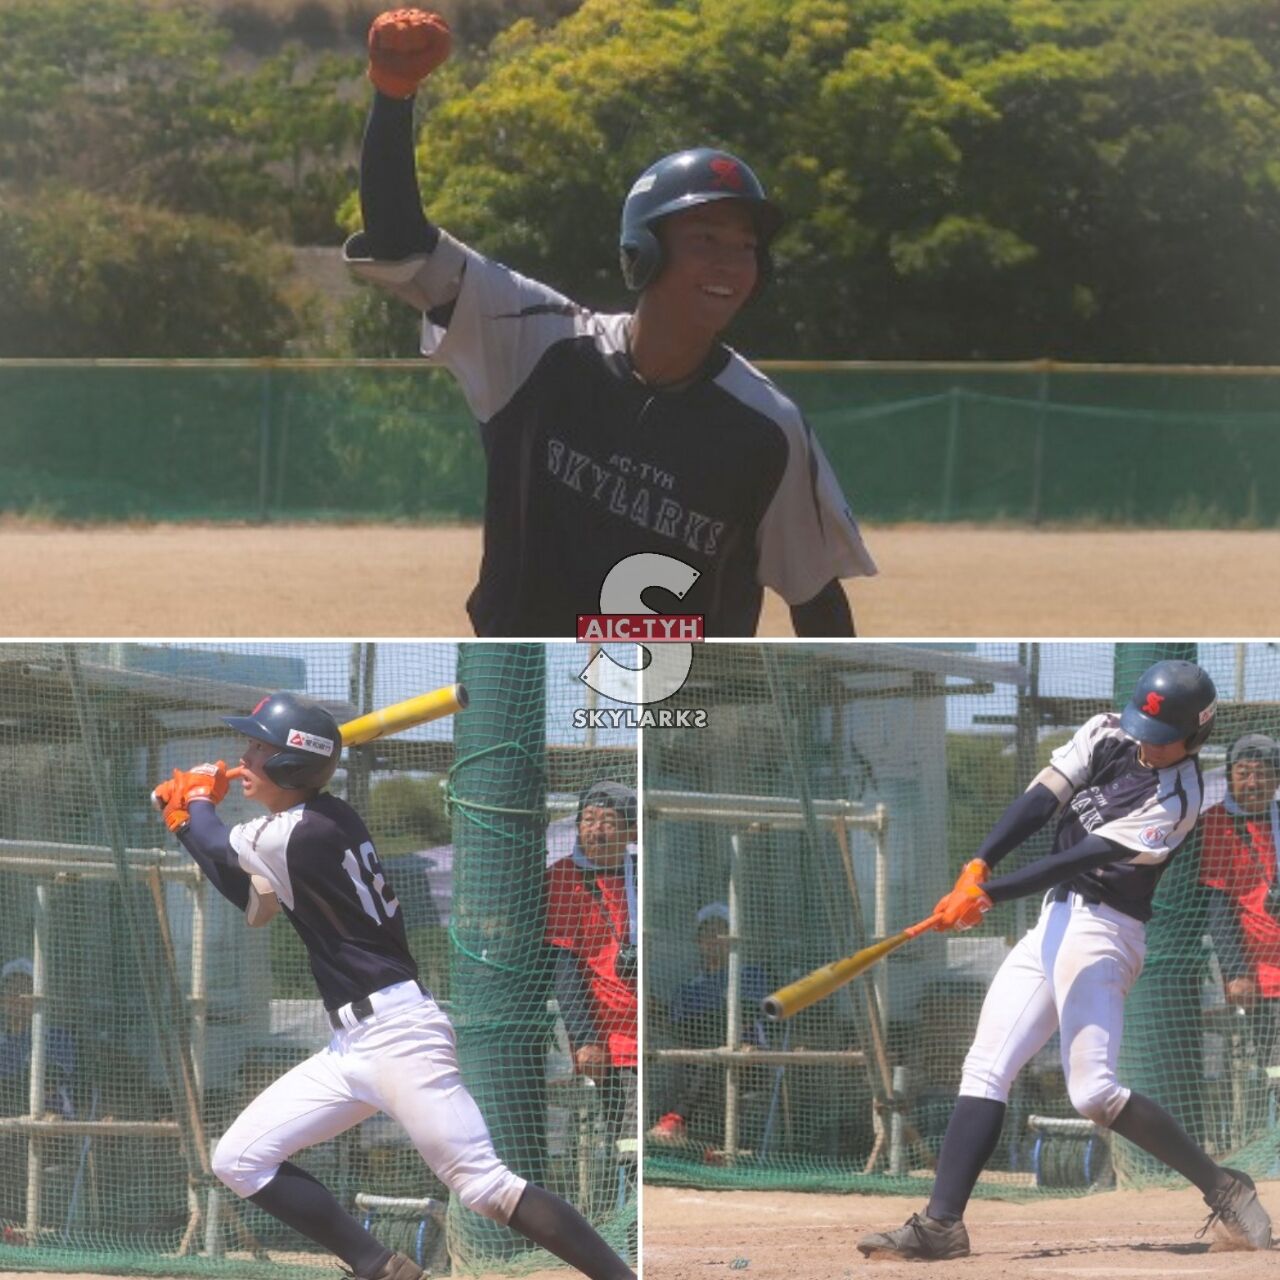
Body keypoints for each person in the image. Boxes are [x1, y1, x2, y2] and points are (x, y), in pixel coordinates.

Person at [343, 8, 876, 638]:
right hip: (525, 678)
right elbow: (400, 241)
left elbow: (816, 598)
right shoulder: (535, 339)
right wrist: (393, 95)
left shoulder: (769, 427)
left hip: (678, 689)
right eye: (705, 238)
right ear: (641, 252)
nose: (729, 263)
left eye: (745, 247)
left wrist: (829, 698)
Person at [152, 692, 634, 1280]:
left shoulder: (294, 834)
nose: (244, 758)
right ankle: (380, 1268)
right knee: (239, 1159)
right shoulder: (326, 819)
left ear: (290, 764)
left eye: (258, 748)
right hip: (350, 1046)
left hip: (400, 1036)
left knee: (485, 1187)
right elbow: (256, 902)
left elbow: (217, 844)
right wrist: (187, 821)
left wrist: (196, 803)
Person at [857, 660, 1273, 1260]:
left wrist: (988, 896)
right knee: (985, 1066)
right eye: (1145, 731)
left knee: (1093, 1094)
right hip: (1051, 923)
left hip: (1106, 932)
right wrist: (979, 864)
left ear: (1196, 733)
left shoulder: (1180, 797)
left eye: (1164, 739)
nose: (1149, 745)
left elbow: (1081, 857)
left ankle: (1224, 1187)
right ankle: (941, 1225)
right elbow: (1040, 800)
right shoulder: (1107, 731)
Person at [546, 783, 638, 1149]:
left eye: (609, 822)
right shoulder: (563, 878)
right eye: (588, 820)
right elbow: (562, 965)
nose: (595, 830)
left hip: (650, 1031)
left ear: (631, 832)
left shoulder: (638, 874)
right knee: (629, 1143)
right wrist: (585, 1038)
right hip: (612, 1043)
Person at [647, 902, 768, 1148]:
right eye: (707, 934)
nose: (713, 940)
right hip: (698, 1063)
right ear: (698, 942)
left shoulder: (749, 976)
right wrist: (657, 1010)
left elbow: (749, 1016)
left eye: (720, 932)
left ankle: (678, 1117)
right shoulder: (688, 989)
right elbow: (678, 1029)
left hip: (747, 1060)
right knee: (691, 1058)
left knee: (714, 1050)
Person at [1198, 733, 1280, 1073]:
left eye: (1262, 773)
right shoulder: (1217, 823)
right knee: (1273, 1070)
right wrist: (1235, 973)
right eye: (1244, 773)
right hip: (1262, 981)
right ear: (1230, 776)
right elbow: (1217, 906)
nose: (1253, 783)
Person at [0, 958, 76, 1120]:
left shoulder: (55, 1038)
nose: (18, 998)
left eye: (25, 990)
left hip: (50, 1123)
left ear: (37, 998)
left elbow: (49, 1083)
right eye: (11, 990)